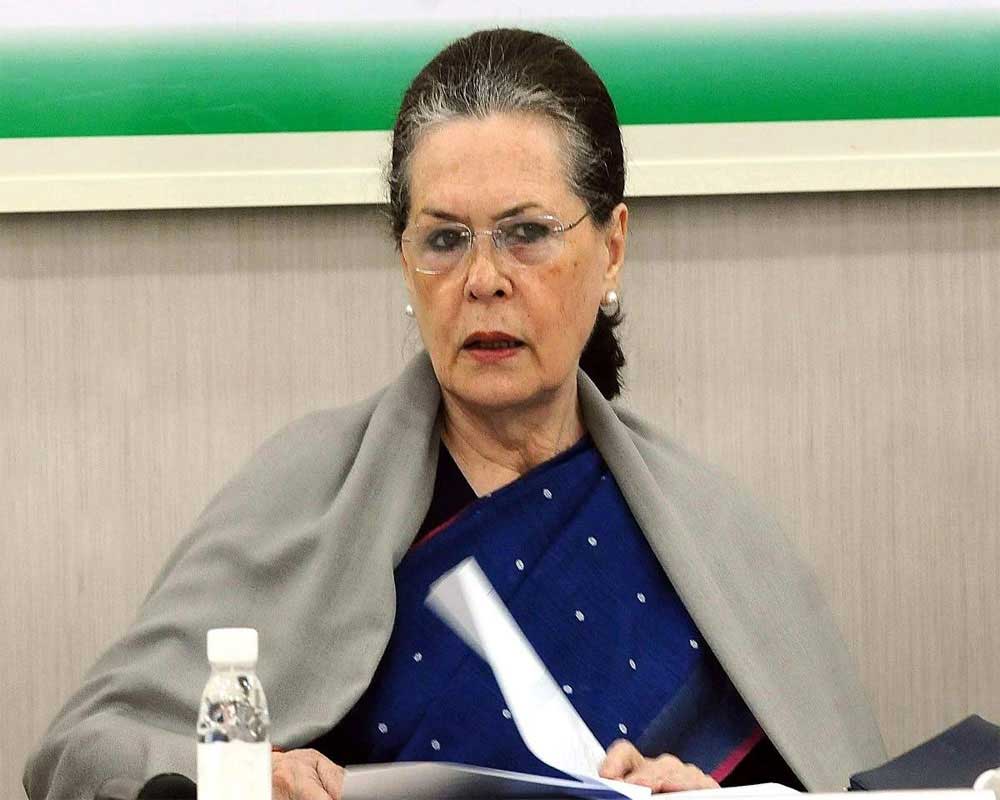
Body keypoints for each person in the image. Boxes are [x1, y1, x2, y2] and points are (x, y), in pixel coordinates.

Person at [24, 28, 886, 800]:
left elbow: (831, 784)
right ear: (406, 264)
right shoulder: (303, 493)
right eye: (444, 239)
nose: (483, 279)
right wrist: (238, 778)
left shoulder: (721, 536)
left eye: (526, 233)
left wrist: (707, 797)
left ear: (612, 247)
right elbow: (86, 751)